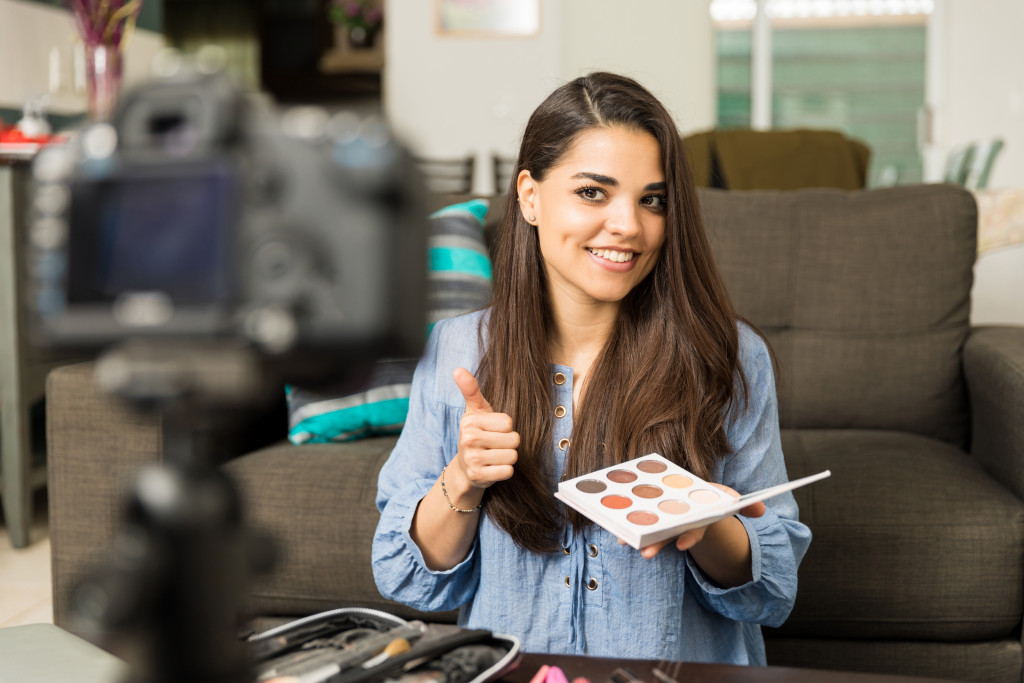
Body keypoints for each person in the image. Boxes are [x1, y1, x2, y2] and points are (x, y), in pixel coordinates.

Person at [372, 72, 811, 664]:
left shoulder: (728, 355)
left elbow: (774, 589)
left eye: (651, 200)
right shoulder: (455, 352)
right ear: (530, 196)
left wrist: (708, 526)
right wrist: (464, 479)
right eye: (593, 192)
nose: (629, 225)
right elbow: (405, 577)